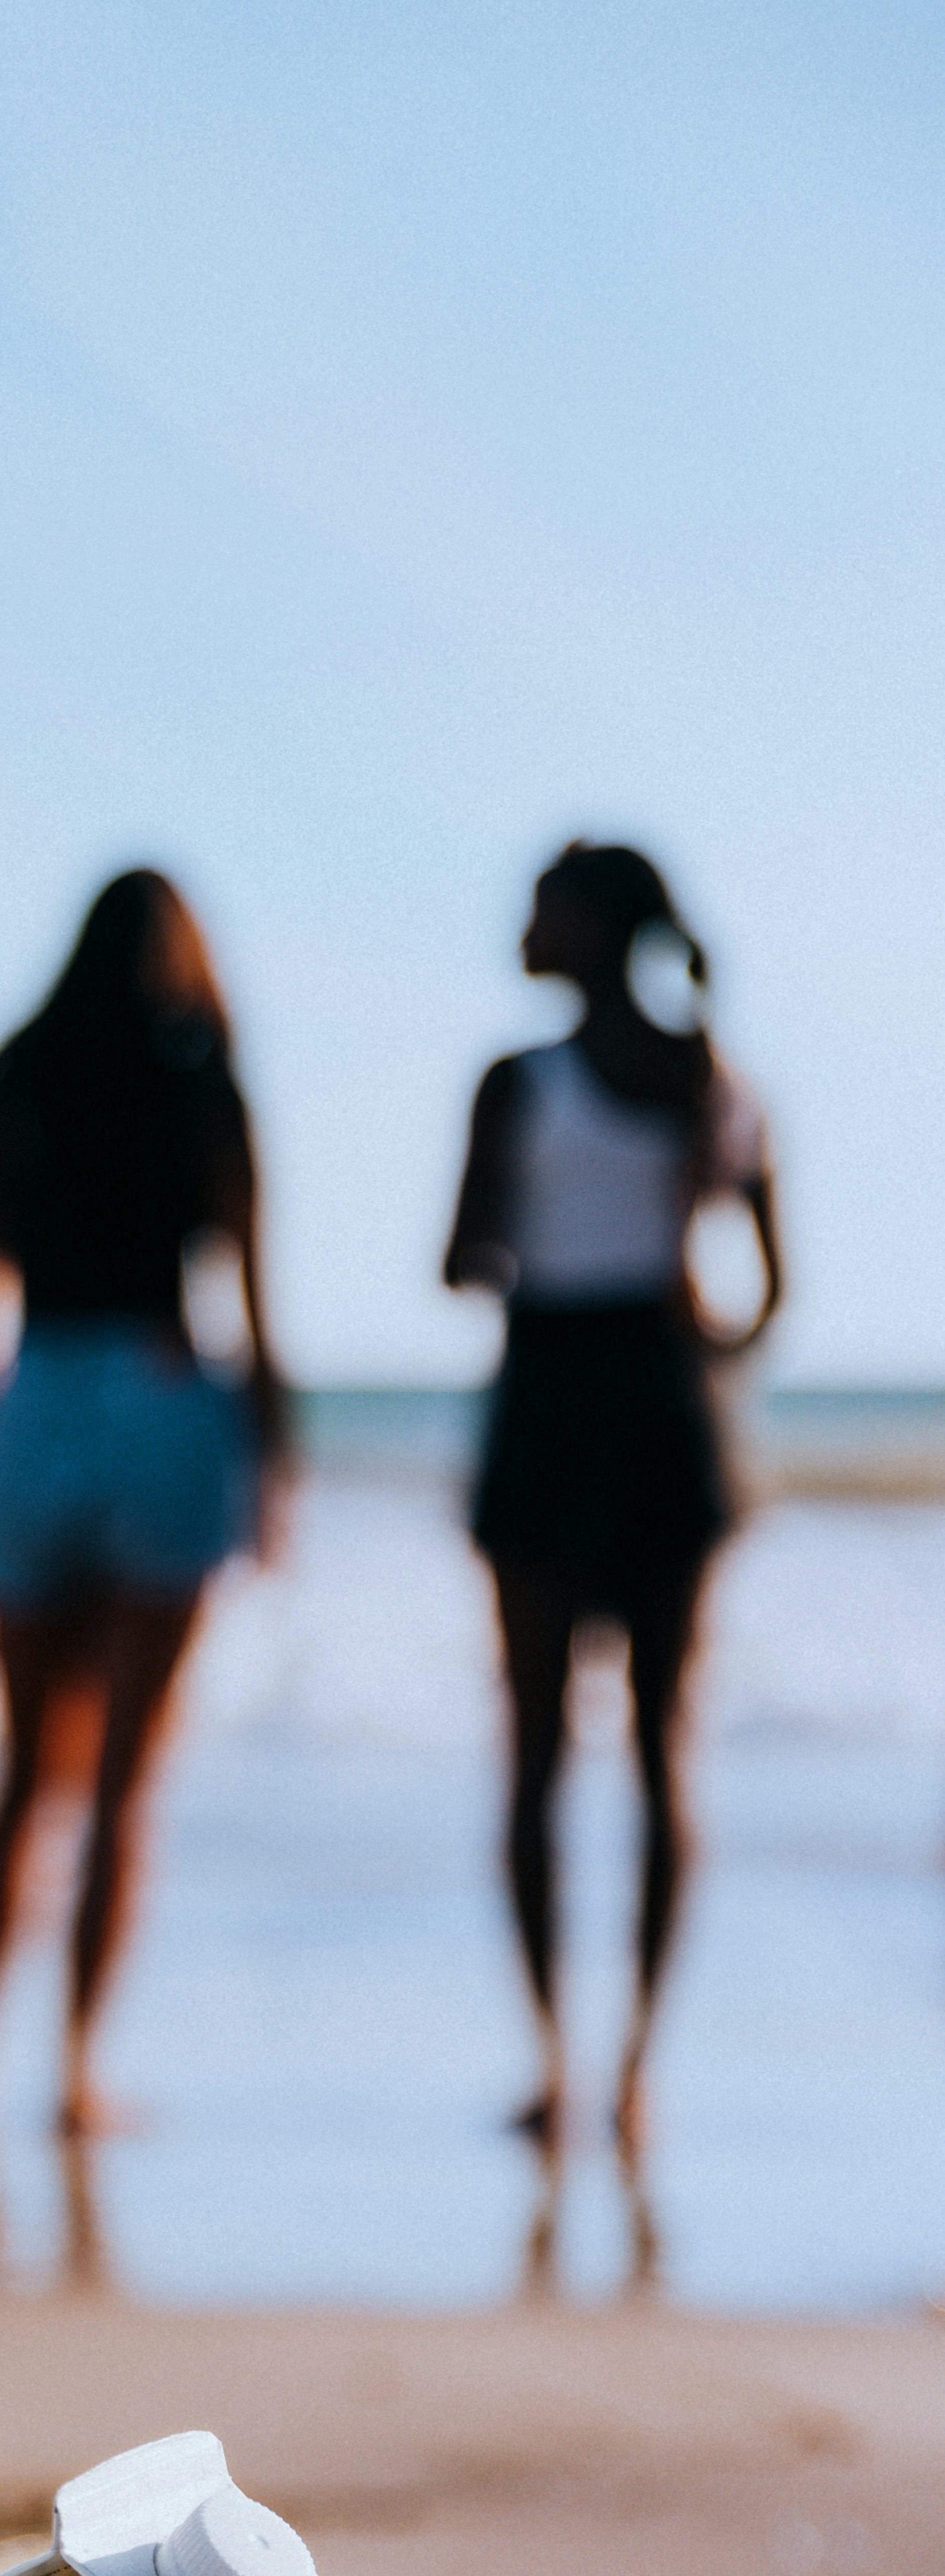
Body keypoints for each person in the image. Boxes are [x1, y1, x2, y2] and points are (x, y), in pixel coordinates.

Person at [444, 840, 784, 2154]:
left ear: (592, 928)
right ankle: (633, 2064)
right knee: (660, 1748)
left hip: (553, 1401)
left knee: (537, 1752)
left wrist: (535, 1250)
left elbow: (461, 1256)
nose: (525, 923)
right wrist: (705, 1357)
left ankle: (559, 2062)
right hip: (668, 1409)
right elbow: (772, 1289)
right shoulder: (717, 1081)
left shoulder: (519, 1084)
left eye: (543, 905)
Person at [0, 868, 289, 2140]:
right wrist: (273, 1450)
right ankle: (78, 2071)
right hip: (160, 1383)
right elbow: (250, 1287)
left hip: (38, 1386)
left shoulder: (16, 1071)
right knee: (126, 1781)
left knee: (25, 1762)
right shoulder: (203, 1078)